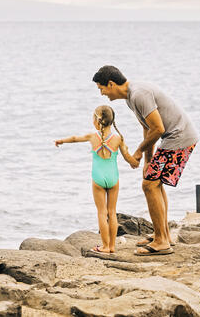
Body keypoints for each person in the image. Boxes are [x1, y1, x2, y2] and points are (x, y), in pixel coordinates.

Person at [92, 65, 198, 256]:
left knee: (149, 185)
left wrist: (139, 151)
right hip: (176, 137)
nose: (102, 94)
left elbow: (158, 128)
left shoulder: (138, 94)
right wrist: (148, 161)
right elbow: (148, 128)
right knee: (154, 184)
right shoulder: (131, 97)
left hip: (178, 137)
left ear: (111, 84)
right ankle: (163, 234)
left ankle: (161, 242)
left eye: (102, 89)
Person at [55, 105, 139, 254]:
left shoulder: (93, 137)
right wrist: (135, 162)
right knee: (112, 212)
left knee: (102, 212)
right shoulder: (118, 138)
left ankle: (105, 246)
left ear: (97, 121)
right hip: (113, 178)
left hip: (98, 179)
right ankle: (112, 246)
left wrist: (61, 141)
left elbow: (75, 138)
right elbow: (128, 158)